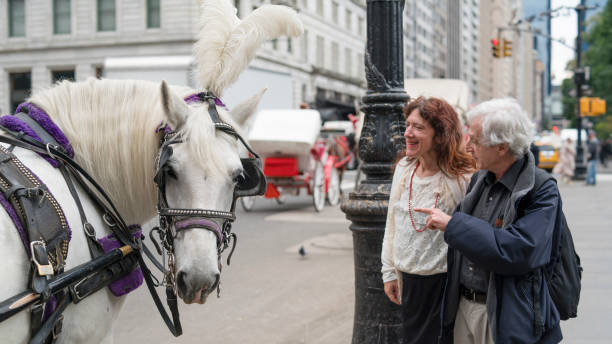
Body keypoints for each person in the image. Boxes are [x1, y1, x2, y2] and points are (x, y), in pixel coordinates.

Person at [415, 98, 564, 344]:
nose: (467, 145)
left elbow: (520, 250)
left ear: (501, 147)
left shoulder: (541, 189)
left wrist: (453, 225)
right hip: (465, 307)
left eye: (474, 139)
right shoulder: (480, 179)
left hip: (505, 314)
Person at [380, 97, 475, 343]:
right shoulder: (404, 168)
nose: (408, 133)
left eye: (419, 127)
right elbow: (392, 222)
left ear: (440, 135)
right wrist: (389, 272)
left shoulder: (461, 177)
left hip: (445, 284)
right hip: (407, 281)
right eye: (408, 125)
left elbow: (473, 230)